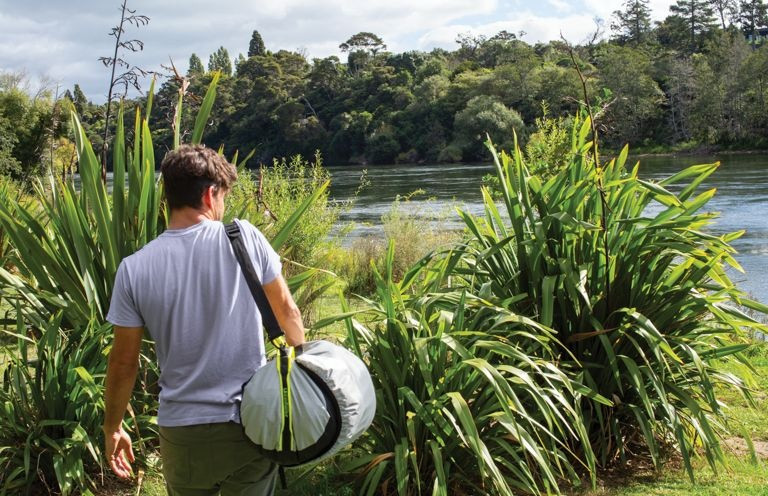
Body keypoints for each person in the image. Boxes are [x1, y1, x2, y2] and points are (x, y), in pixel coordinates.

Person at [102, 144, 305, 495]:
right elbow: (287, 312)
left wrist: (112, 428)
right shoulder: (244, 238)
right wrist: (305, 378)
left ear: (168, 195)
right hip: (247, 422)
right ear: (211, 195)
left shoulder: (133, 268)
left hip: (182, 431)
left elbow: (123, 363)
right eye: (223, 196)